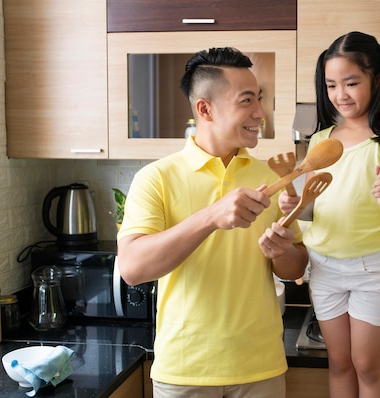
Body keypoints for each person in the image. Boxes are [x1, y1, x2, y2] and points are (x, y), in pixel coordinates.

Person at [117, 47, 308, 398]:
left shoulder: (272, 176)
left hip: (261, 366)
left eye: (259, 99)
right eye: (246, 101)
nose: (259, 113)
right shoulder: (155, 178)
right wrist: (210, 217)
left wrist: (282, 251)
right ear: (205, 108)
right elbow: (132, 268)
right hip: (185, 370)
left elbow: (293, 267)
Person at [279, 31, 380, 398]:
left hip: (372, 269)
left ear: (378, 80)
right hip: (324, 266)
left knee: (367, 366)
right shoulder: (322, 140)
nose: (340, 94)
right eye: (330, 85)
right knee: (339, 363)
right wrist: (294, 204)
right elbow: (314, 207)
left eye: (351, 82)